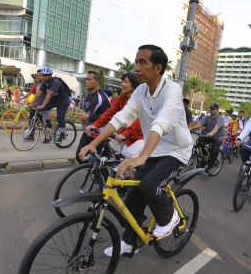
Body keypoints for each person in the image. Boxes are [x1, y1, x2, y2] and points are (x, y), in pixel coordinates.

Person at [78, 44, 193, 256]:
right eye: (136, 62)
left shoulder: (173, 90)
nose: (137, 68)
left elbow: (162, 123)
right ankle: (129, 243)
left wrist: (141, 157)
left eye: (143, 63)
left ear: (158, 68)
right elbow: (121, 117)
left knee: (149, 185)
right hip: (154, 149)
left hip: (176, 151)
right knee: (133, 195)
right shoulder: (140, 91)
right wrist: (94, 143)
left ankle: (169, 217)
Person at [85, 73, 144, 158]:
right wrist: (95, 125)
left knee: (129, 155)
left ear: (133, 84)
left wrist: (125, 133)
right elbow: (110, 113)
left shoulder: (141, 99)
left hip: (141, 136)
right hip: (125, 136)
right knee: (122, 160)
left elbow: (140, 120)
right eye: (122, 81)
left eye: (125, 82)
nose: (122, 84)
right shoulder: (122, 98)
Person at [74, 71, 111, 162]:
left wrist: (89, 118)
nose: (86, 81)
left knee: (97, 163)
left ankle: (101, 175)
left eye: (89, 79)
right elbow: (88, 111)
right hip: (88, 132)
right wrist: (83, 119)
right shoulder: (87, 95)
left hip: (99, 135)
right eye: (86, 79)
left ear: (97, 82)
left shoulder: (102, 97)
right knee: (79, 156)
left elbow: (108, 116)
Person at [29, 67, 71, 143]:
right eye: (43, 75)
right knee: (41, 109)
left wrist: (42, 105)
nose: (44, 77)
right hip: (55, 99)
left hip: (63, 101)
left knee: (60, 117)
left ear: (50, 76)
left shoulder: (55, 82)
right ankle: (48, 126)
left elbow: (49, 94)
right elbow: (39, 93)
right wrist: (32, 103)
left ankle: (63, 134)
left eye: (46, 76)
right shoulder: (45, 83)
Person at [189, 103, 226, 175]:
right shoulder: (208, 117)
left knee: (214, 150)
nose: (211, 110)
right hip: (208, 135)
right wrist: (190, 128)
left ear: (217, 110)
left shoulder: (220, 119)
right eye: (210, 109)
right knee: (199, 141)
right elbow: (200, 124)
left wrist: (212, 133)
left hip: (217, 138)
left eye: (213, 109)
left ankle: (209, 167)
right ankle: (204, 156)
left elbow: (216, 127)